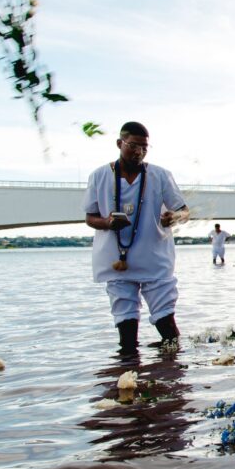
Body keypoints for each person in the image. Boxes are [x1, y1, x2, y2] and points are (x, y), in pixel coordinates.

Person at [83, 122, 188, 346]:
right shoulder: (99, 176)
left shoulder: (160, 175)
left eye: (144, 147)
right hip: (115, 261)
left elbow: (183, 211)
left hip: (155, 258)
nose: (138, 152)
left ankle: (171, 374)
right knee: (126, 329)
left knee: (166, 324)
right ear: (120, 143)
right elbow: (90, 217)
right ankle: (130, 372)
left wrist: (174, 217)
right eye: (133, 146)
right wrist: (107, 222)